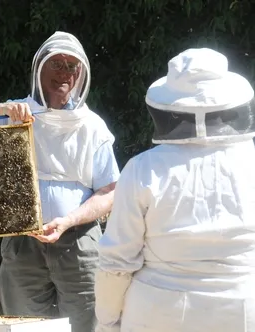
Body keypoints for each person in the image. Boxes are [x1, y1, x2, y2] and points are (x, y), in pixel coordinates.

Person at [0, 31, 120, 332]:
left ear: (81, 74)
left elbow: (109, 191)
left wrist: (67, 220)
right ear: (39, 68)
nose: (64, 73)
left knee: (89, 325)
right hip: (21, 243)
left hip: (78, 242)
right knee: (23, 325)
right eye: (57, 64)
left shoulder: (93, 127)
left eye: (71, 66)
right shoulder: (13, 113)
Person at [94, 48, 255, 332]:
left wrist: (107, 320)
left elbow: (117, 261)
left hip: (157, 314)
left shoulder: (143, 168)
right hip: (243, 311)